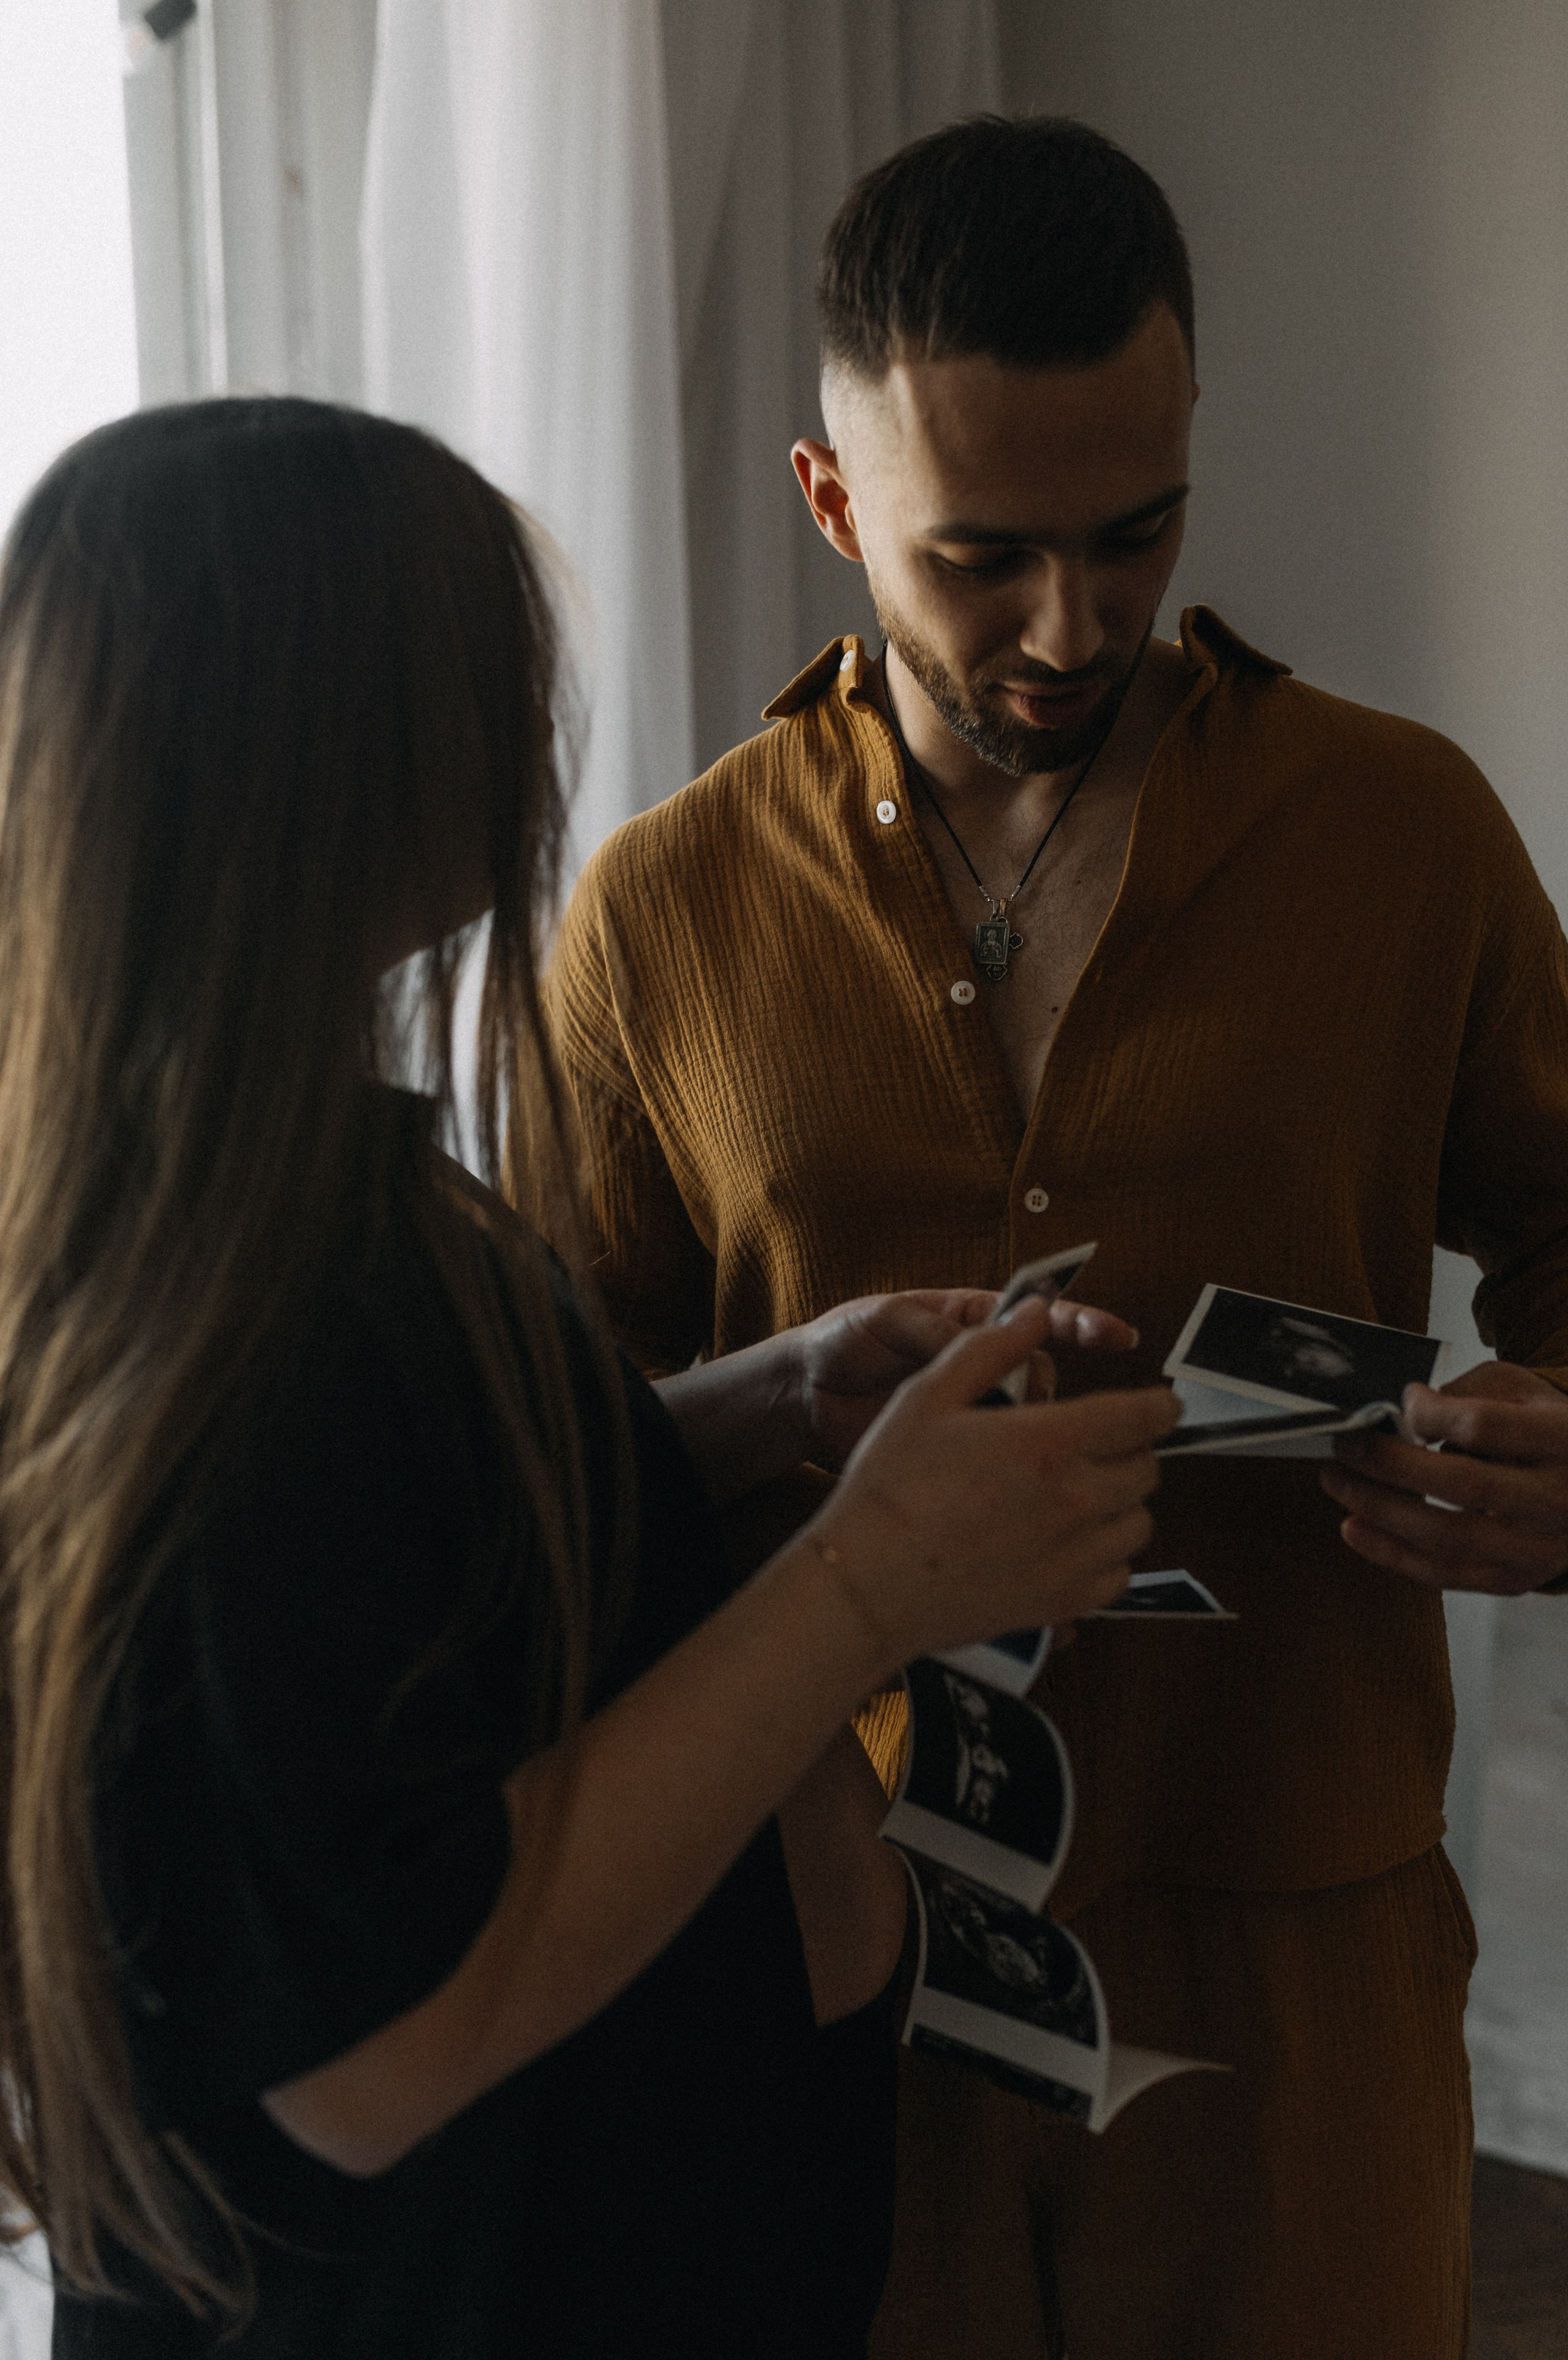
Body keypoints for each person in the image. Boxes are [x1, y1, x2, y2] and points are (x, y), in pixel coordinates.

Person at [0, 398, 1180, 2358]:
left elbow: (403, 1575)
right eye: (484, 674)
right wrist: (867, 1579)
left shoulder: (276, 1189)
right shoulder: (244, 1297)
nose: (529, 735)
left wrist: (748, 1409)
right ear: (328, 746)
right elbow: (371, 2039)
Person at [544, 116, 1568, 2360]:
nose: (1069, 625)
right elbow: (555, 1451)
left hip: (1299, 1937)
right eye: (982, 556)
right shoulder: (657, 918)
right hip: (830, 1951)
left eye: (1134, 537)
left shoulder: (1407, 839)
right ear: (833, 503)